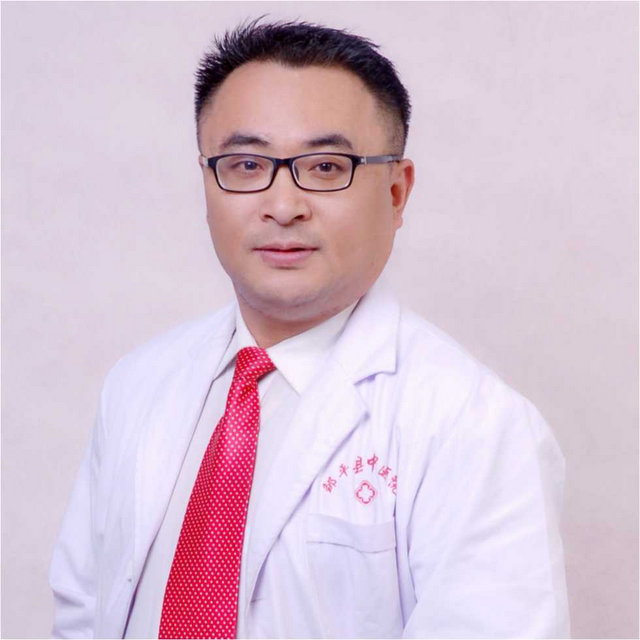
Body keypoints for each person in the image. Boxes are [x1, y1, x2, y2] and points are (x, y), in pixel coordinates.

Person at [49, 18, 570, 639]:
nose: (283, 205)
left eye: (325, 167)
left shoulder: (476, 427)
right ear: (208, 179)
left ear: (397, 192)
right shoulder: (136, 385)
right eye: (246, 164)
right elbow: (82, 612)